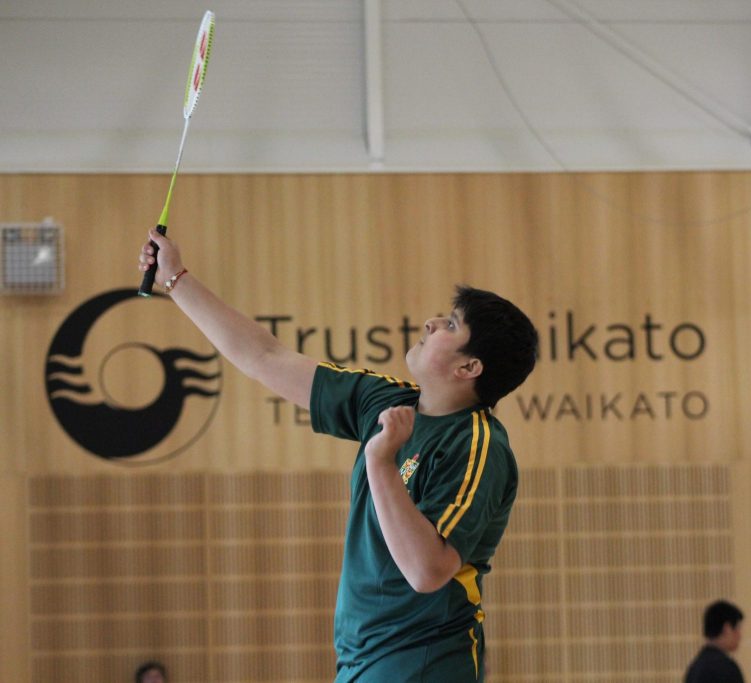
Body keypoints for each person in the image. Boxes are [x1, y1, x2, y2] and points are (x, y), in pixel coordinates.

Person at [138, 230, 539, 682]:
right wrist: (175, 279)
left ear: (469, 368)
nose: (431, 323)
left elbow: (427, 570)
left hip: (421, 663)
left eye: (450, 324)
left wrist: (381, 463)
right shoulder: (384, 402)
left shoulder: (479, 446)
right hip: (360, 661)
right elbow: (264, 356)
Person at [683, 600, 745, 683]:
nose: (740, 635)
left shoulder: (694, 668)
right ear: (727, 629)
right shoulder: (726, 668)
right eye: (737, 629)